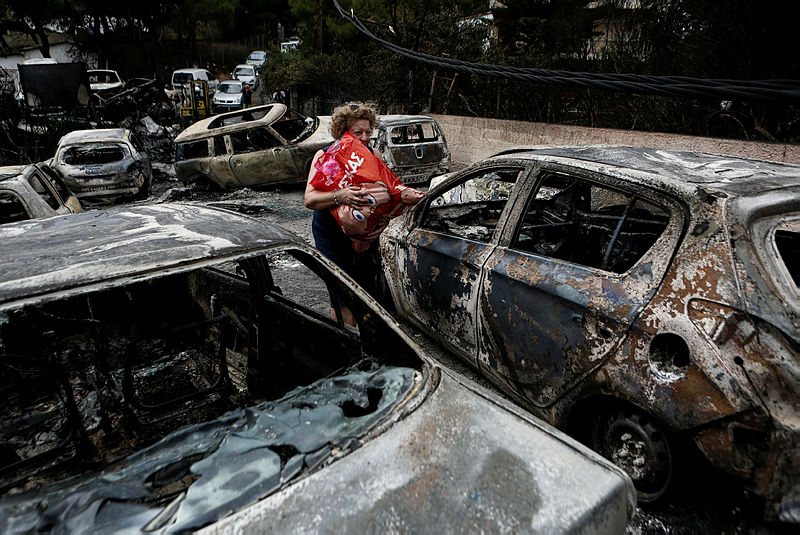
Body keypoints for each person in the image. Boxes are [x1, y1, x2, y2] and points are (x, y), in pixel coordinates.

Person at [304, 102, 424, 327]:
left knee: (366, 291)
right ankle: (347, 344)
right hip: (331, 234)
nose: (365, 137)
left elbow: (386, 190)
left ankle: (368, 343)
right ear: (343, 132)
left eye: (368, 132)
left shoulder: (373, 153)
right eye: (358, 132)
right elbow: (310, 199)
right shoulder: (329, 157)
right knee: (342, 294)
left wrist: (389, 214)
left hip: (365, 236)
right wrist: (341, 195)